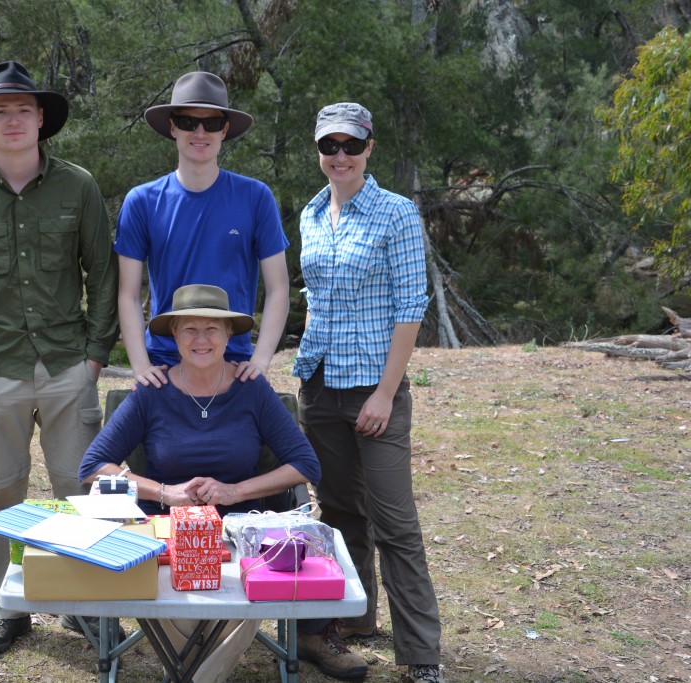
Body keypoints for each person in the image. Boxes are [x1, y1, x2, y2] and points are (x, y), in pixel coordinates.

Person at [0, 60, 119, 657]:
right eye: (0, 110)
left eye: (24, 110)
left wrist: (91, 360)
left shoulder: (77, 187)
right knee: (1, 495)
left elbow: (104, 277)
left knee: (81, 491)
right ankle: (6, 606)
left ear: (41, 121)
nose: (13, 120)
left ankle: (86, 604)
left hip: (67, 368)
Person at [78, 284, 320, 683]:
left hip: (243, 538)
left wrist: (234, 491)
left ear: (229, 336)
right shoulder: (150, 393)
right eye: (190, 329)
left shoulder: (251, 390)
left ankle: (193, 674)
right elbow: (91, 467)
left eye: (213, 329)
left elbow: (306, 464)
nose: (201, 339)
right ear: (174, 335)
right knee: (182, 607)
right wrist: (165, 493)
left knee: (238, 598)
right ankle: (201, 672)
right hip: (167, 537)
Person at [293, 102, 444, 683]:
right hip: (319, 386)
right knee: (338, 512)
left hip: (373, 390)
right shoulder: (309, 214)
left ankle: (421, 654)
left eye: (350, 146)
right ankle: (353, 618)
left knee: (394, 521)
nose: (339, 156)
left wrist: (385, 393)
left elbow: (411, 308)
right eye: (329, 146)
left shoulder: (396, 213)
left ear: (369, 148)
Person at [115, 71, 290, 389]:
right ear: (172, 127)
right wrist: (140, 366)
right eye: (187, 122)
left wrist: (261, 361)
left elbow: (278, 287)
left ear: (224, 130)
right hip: (164, 366)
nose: (199, 132)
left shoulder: (255, 197)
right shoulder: (142, 201)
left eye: (210, 123)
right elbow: (127, 294)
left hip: (234, 364)